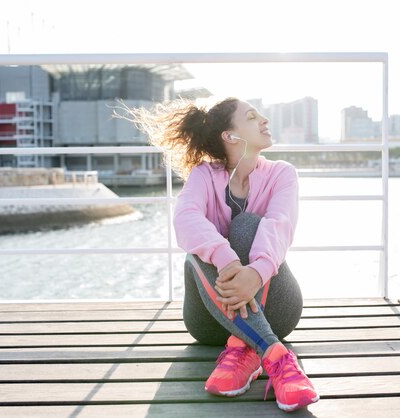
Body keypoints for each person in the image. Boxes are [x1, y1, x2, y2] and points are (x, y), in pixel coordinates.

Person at [120, 97, 319, 412]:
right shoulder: (203, 175)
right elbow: (186, 220)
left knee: (247, 226)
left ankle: (252, 348)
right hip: (209, 322)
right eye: (253, 117)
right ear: (231, 136)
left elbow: (280, 225)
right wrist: (227, 260)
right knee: (199, 251)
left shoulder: (282, 174)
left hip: (279, 310)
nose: (265, 120)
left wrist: (254, 274)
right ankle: (270, 354)